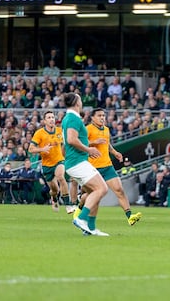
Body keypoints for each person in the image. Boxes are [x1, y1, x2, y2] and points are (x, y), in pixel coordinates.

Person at [78, 108, 141, 226]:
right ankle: (80, 208)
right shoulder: (87, 129)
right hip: (92, 168)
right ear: (92, 118)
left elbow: (107, 144)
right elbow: (79, 143)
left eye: (103, 115)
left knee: (119, 190)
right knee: (90, 196)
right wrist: (94, 142)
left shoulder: (106, 129)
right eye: (99, 116)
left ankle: (129, 216)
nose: (102, 118)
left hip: (107, 166)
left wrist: (115, 152)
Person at [62, 92, 109, 236]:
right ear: (77, 102)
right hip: (78, 162)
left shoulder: (68, 118)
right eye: (80, 99)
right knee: (102, 189)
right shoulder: (73, 118)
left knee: (93, 193)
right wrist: (88, 149)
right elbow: (71, 139)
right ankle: (81, 219)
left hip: (75, 161)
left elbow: (65, 145)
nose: (81, 102)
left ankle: (91, 228)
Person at [29, 110, 71, 212]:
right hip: (47, 165)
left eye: (53, 117)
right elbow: (31, 149)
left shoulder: (60, 131)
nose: (52, 119)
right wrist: (42, 149)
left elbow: (67, 143)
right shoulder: (39, 133)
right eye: (49, 118)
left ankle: (68, 204)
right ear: (44, 121)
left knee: (61, 177)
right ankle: (54, 198)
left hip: (59, 161)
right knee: (54, 190)